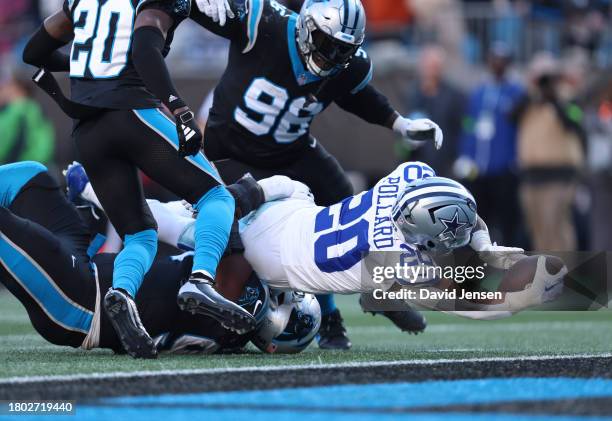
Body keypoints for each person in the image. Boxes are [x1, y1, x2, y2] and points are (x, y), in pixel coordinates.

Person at [147, 0, 443, 350]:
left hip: (292, 149)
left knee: (351, 208)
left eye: (341, 50)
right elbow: (188, 10)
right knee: (283, 238)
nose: (330, 56)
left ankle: (378, 291)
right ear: (304, 26)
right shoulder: (264, 24)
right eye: (326, 42)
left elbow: (357, 94)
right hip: (231, 153)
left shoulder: (345, 66)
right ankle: (329, 317)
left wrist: (399, 122)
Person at [21, 0, 254, 358]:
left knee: (139, 234)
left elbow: (34, 51)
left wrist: (89, 61)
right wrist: (179, 109)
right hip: (131, 112)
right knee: (216, 197)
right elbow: (144, 47)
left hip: (87, 130)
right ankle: (202, 281)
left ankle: (123, 293)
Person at [512, 52, 586, 251]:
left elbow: (575, 121)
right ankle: (546, 274)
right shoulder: (528, 100)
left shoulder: (568, 98)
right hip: (531, 176)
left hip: (559, 176)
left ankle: (565, 271)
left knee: (557, 227)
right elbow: (510, 116)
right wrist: (532, 90)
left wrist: (555, 98)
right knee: (537, 229)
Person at [455, 42, 525, 247]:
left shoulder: (516, 92)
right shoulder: (479, 92)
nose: (497, 64)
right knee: (479, 222)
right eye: (494, 60)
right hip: (479, 169)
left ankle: (510, 268)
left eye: (501, 60)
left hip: (504, 167)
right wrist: (465, 154)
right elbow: (468, 124)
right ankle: (479, 270)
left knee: (507, 221)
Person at [399, 45, 464, 176]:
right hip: (415, 166)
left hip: (444, 166)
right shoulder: (411, 95)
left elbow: (463, 127)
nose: (430, 70)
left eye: (435, 66)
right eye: (428, 65)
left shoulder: (454, 96)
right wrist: (405, 145)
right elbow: (399, 132)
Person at [0, 66, 54, 165]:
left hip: (21, 168)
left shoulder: (20, 110)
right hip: (33, 166)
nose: (2, 88)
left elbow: (7, 144)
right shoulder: (33, 108)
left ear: (18, 89)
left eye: (7, 85)